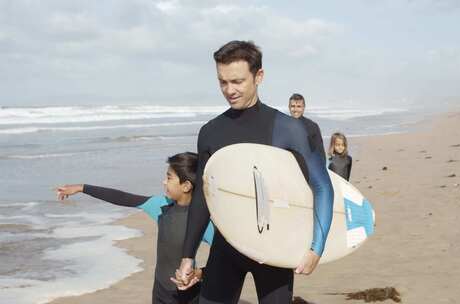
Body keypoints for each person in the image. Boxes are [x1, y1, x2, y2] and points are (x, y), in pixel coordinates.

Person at [176, 40, 334, 304]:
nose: (229, 90)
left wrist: (316, 248)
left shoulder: (288, 129)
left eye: (237, 81)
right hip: (226, 249)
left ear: (258, 76)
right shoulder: (211, 132)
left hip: (274, 250)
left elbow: (321, 186)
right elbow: (204, 197)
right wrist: (188, 255)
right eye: (223, 82)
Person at [55, 152, 214, 304]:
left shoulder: (201, 220)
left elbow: (225, 259)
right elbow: (123, 198)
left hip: (188, 294)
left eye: (169, 177)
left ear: (186, 186)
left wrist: (199, 273)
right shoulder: (162, 205)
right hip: (160, 290)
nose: (164, 182)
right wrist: (82, 187)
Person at [288, 93, 326, 161]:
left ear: (303, 107)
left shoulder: (312, 127)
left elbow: (320, 154)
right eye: (293, 106)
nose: (295, 109)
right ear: (289, 107)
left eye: (299, 106)